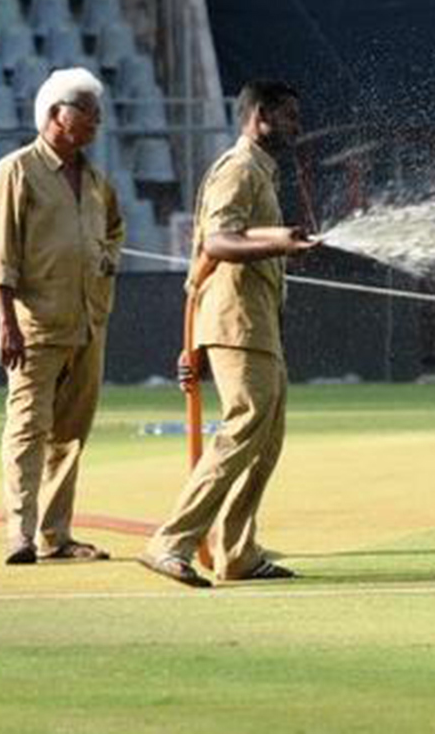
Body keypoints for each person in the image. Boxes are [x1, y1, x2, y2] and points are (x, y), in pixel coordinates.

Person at [141, 80, 317, 588]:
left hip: (256, 318)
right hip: (236, 318)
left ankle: (237, 552)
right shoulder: (238, 169)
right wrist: (277, 244)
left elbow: (229, 241)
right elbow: (216, 242)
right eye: (288, 116)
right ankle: (170, 542)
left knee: (267, 435)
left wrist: (280, 239)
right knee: (246, 426)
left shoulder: (262, 171)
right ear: (260, 115)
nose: (296, 126)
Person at [0, 67, 124, 566]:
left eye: (96, 112)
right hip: (35, 325)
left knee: (70, 433)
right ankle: (19, 534)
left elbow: (114, 231)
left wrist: (107, 261)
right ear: (54, 116)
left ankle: (55, 536)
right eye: (85, 110)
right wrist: (6, 321)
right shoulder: (16, 171)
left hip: (89, 323)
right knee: (26, 425)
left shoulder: (97, 182)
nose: (95, 120)